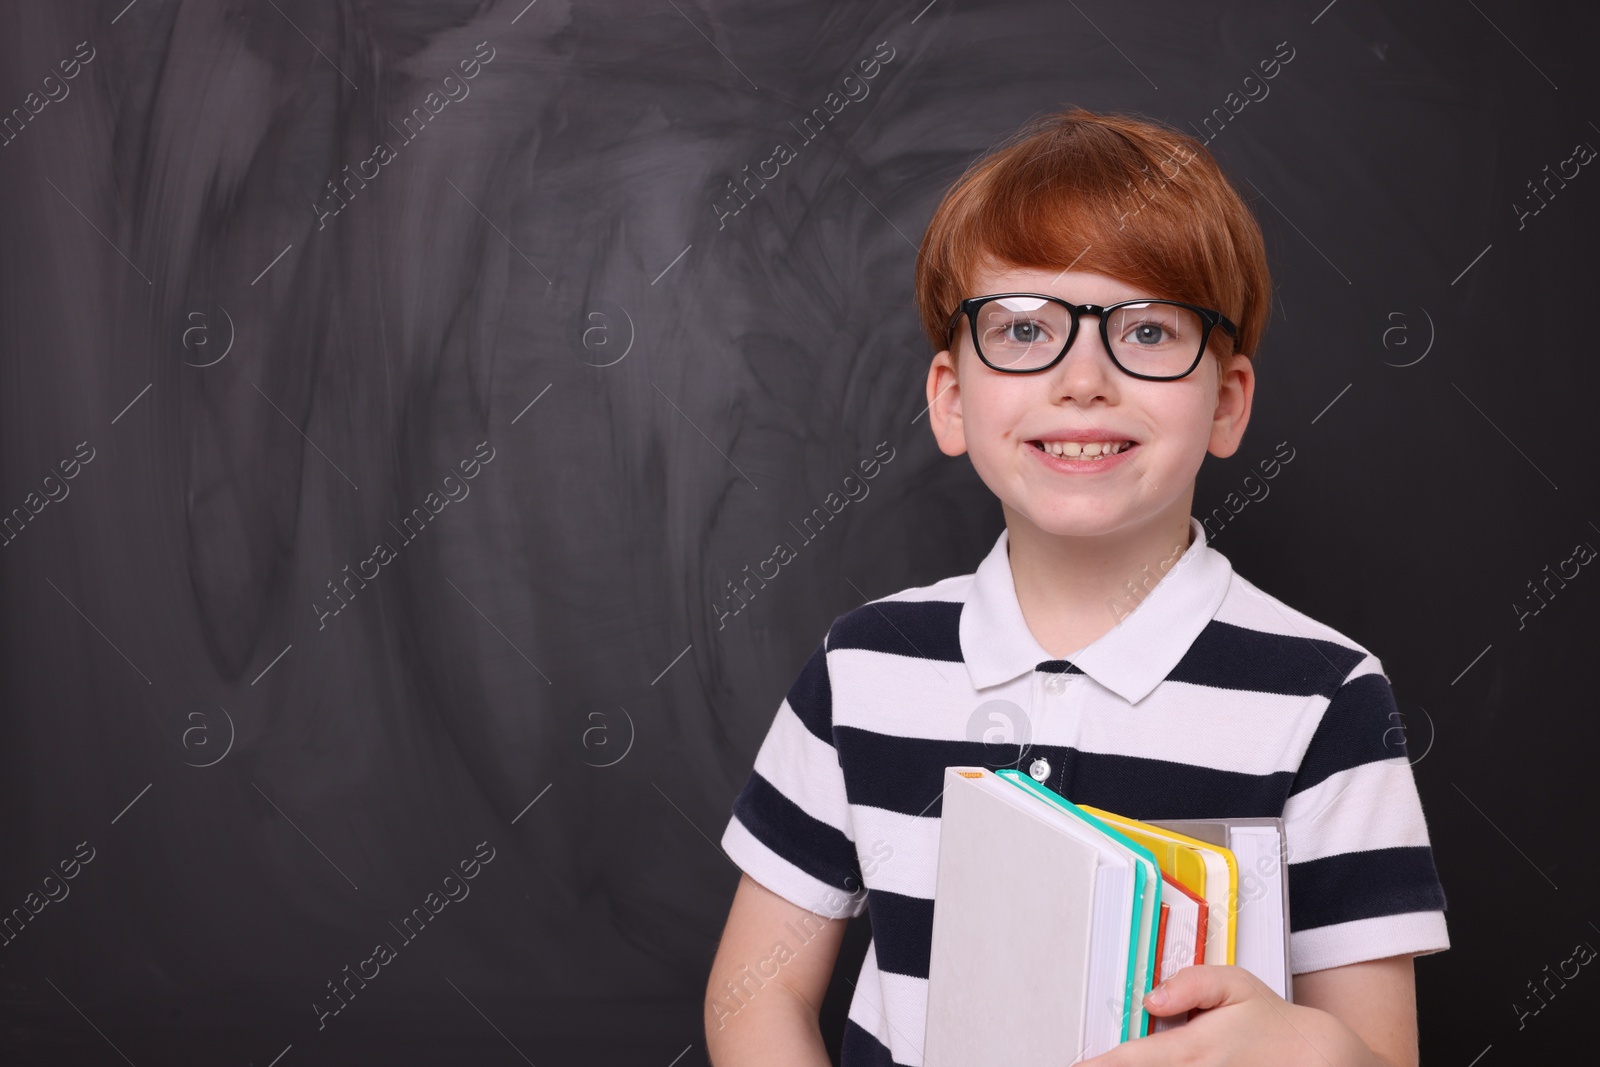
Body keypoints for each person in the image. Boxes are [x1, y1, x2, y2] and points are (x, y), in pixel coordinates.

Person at [703, 105, 1448, 1067]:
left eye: (1145, 331)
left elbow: (1379, 1057)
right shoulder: (864, 670)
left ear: (1225, 402)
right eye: (1021, 331)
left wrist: (1302, 1048)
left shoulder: (1325, 698)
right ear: (951, 397)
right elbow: (752, 997)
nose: (1083, 378)